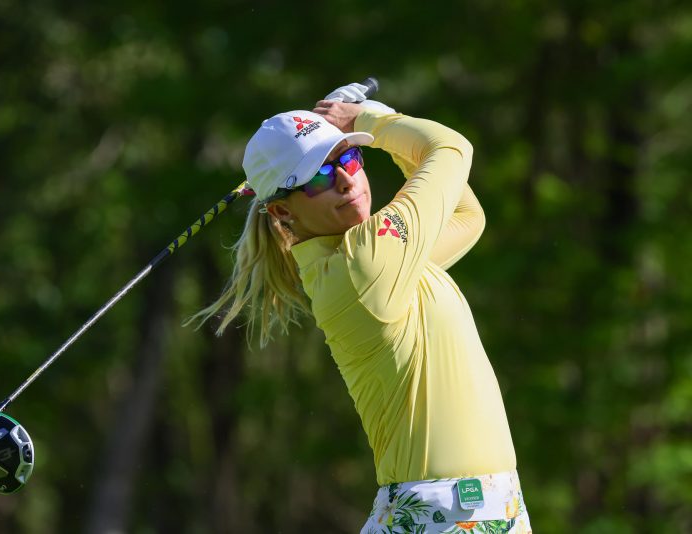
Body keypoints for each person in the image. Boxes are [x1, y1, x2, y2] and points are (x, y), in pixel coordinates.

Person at [193, 83, 531, 533]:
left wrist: (368, 119)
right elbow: (451, 148)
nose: (346, 180)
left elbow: (468, 217)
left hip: (484, 511)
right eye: (318, 176)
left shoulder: (376, 263)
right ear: (281, 213)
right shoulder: (366, 263)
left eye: (348, 158)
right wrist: (369, 120)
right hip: (443, 519)